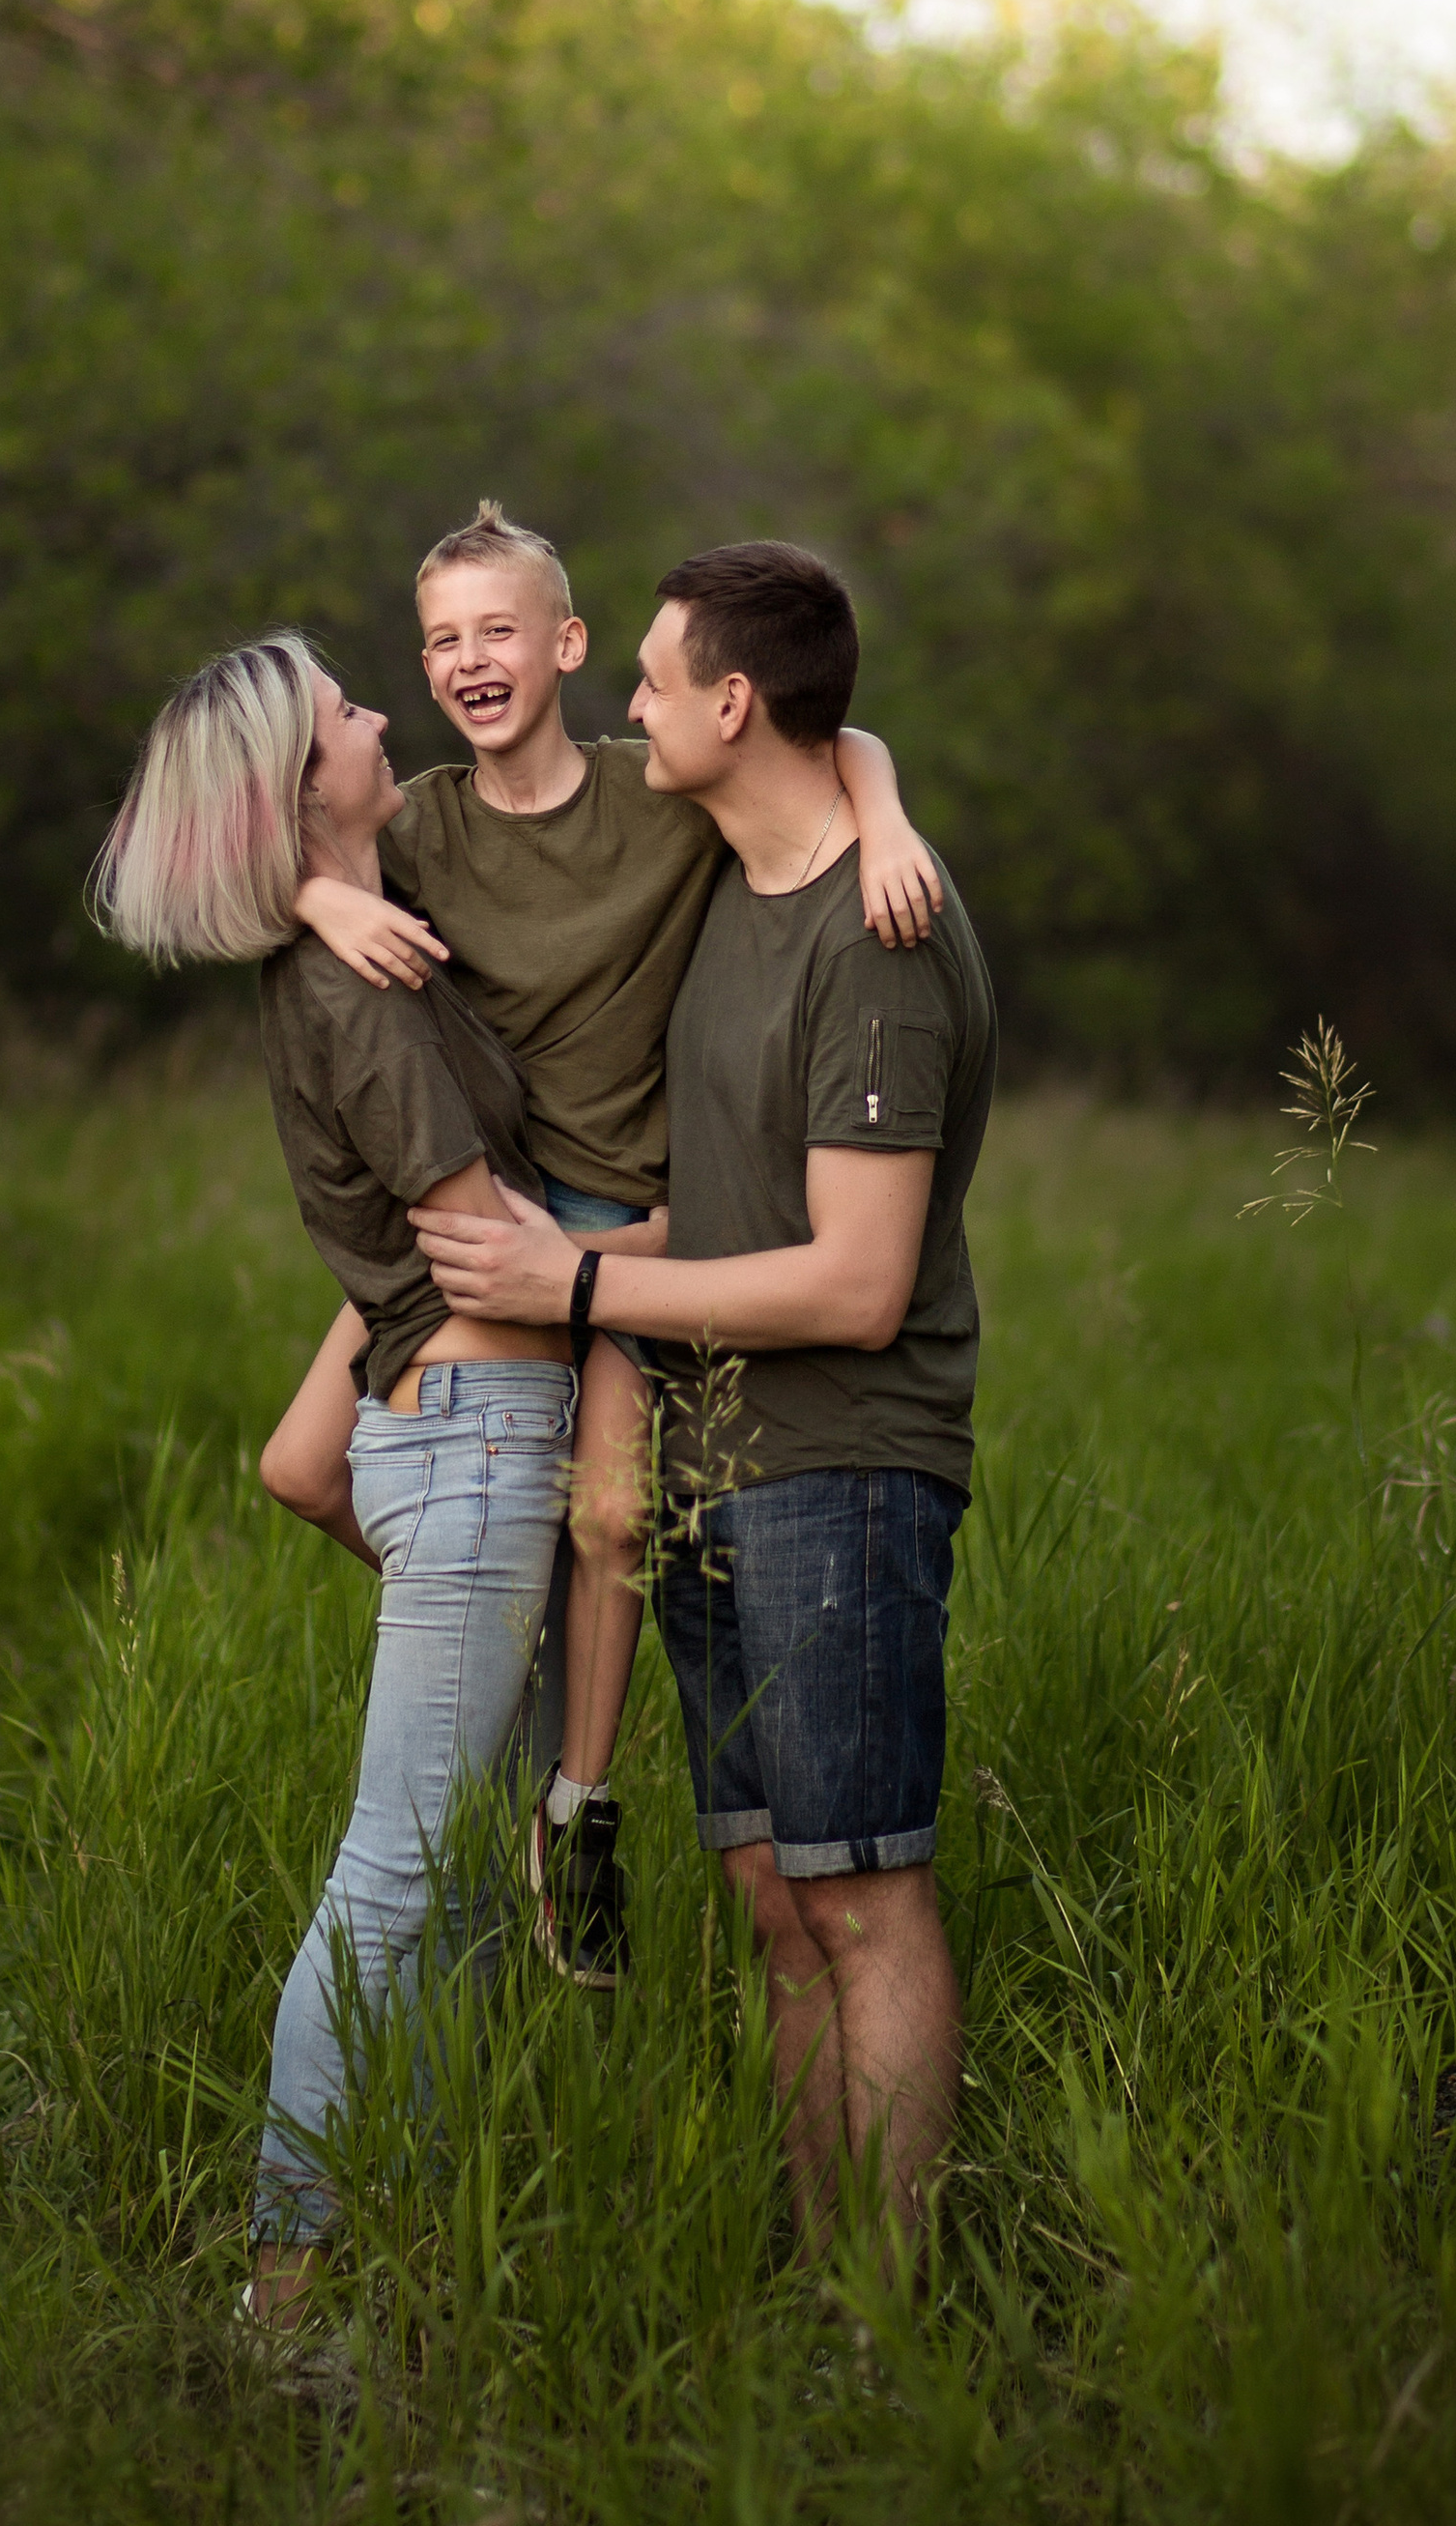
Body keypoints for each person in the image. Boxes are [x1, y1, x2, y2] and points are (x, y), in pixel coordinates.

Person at [259, 502, 943, 1996]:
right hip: (479, 1207)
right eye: (439, 638)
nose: (467, 660)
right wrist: (312, 888)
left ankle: (577, 1812)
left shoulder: (659, 792)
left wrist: (886, 823)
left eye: (499, 630)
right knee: (299, 1470)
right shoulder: (422, 823)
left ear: (566, 645)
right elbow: (247, 857)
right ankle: (497, 1647)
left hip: (631, 1226)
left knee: (614, 1519)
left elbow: (833, 744)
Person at [411, 539, 996, 2268]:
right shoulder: (743, 887)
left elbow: (852, 1283)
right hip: (712, 1459)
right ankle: (830, 2288)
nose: (635, 707)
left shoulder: (877, 935)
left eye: (656, 681)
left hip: (841, 1464)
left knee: (861, 1895)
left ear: (731, 706)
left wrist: (575, 1287)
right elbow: (733, 1213)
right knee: (770, 1892)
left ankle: (887, 2330)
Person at [92, 633, 574, 2326]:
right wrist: (724, 1251)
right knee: (397, 1876)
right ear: (303, 791)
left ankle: (399, 2251)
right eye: (348, 716)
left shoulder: (366, 941)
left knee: (461, 1889)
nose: (385, 714)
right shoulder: (346, 984)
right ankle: (283, 2290)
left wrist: (313, 892)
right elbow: (482, 1241)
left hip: (456, 1434)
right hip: (475, 1434)